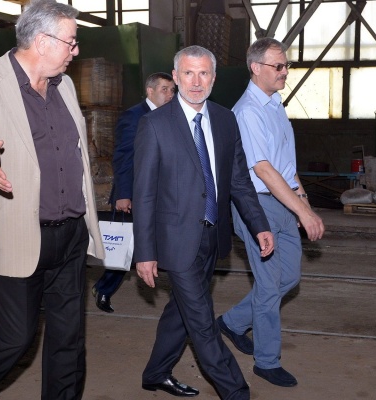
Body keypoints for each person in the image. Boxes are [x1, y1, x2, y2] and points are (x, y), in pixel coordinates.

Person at [0, 1, 104, 399]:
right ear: (42, 42)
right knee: (14, 338)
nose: (76, 50)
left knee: (69, 340)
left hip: (71, 232)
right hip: (16, 232)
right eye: (71, 41)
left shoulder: (64, 86)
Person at [133, 45, 275, 399]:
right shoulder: (155, 124)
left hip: (212, 236)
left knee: (181, 311)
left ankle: (156, 373)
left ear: (214, 77)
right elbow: (144, 194)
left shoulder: (226, 120)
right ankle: (236, 391)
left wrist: (259, 224)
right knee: (201, 321)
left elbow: (239, 180)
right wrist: (144, 252)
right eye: (188, 73)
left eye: (204, 73)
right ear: (176, 77)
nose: (196, 82)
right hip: (174, 241)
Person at [217, 37, 325, 388]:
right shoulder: (248, 111)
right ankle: (266, 361)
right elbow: (263, 169)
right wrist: (304, 213)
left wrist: (303, 202)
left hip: (283, 201)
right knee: (267, 286)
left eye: (285, 65)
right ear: (255, 67)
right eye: (278, 66)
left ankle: (232, 323)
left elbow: (285, 165)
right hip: (256, 205)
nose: (285, 72)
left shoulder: (275, 105)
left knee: (288, 278)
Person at [92, 72, 175, 313]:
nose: (170, 94)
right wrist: (124, 194)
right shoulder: (134, 116)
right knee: (127, 245)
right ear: (150, 91)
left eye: (172, 90)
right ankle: (104, 288)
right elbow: (124, 157)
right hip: (137, 194)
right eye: (164, 89)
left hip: (162, 193)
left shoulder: (171, 116)